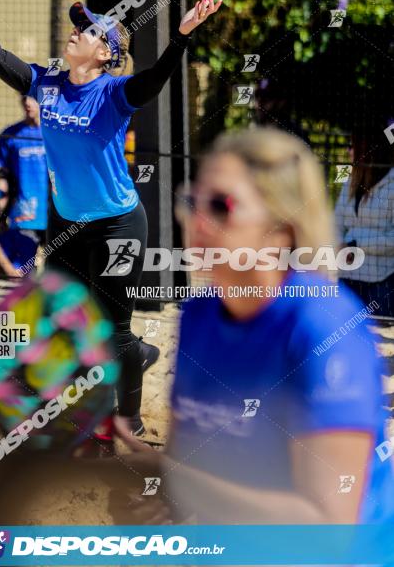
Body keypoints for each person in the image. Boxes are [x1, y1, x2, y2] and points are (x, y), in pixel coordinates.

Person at [0, 0, 222, 433]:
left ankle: (129, 413)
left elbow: (153, 82)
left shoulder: (114, 92)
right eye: (77, 24)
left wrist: (183, 35)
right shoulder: (45, 84)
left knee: (113, 333)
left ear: (107, 52)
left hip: (118, 224)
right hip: (67, 222)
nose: (76, 30)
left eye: (87, 30)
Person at [109, 127, 394, 526]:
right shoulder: (199, 314)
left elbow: (329, 529)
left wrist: (183, 481)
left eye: (221, 205)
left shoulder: (323, 328)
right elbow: (190, 464)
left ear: (281, 230)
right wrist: (160, 497)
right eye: (192, 201)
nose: (199, 219)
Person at [335, 123, 394, 311]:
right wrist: (337, 246)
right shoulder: (350, 180)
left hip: (381, 282)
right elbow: (336, 222)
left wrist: (355, 245)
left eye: (352, 145)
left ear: (367, 149)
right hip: (347, 277)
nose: (348, 150)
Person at [0, 94, 48, 241]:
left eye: (33, 97)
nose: (27, 103)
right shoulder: (10, 134)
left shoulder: (56, 133)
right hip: (23, 215)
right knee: (25, 263)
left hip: (54, 215)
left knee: (56, 263)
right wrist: (0, 215)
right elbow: (1, 179)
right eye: (24, 98)